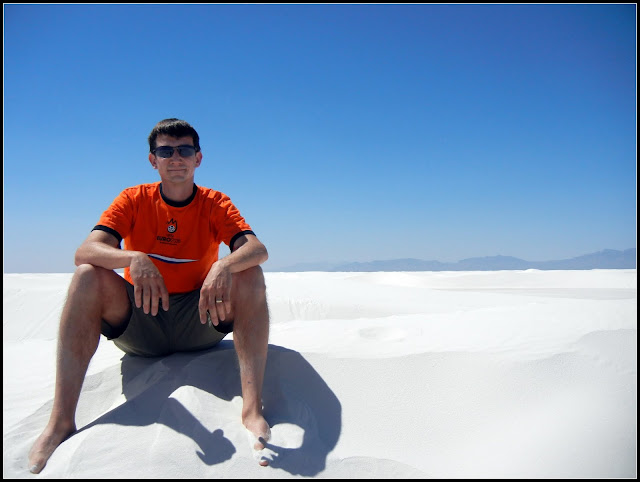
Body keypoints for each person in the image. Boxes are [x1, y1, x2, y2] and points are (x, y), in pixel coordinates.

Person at [27, 118, 272, 473]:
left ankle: (252, 410)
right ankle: (60, 422)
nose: (176, 158)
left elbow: (257, 249)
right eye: (165, 151)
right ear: (152, 160)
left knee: (250, 275)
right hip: (140, 322)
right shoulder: (133, 199)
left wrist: (223, 266)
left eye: (184, 150)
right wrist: (133, 257)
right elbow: (85, 252)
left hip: (198, 320)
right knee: (85, 277)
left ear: (198, 158)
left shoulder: (214, 203)